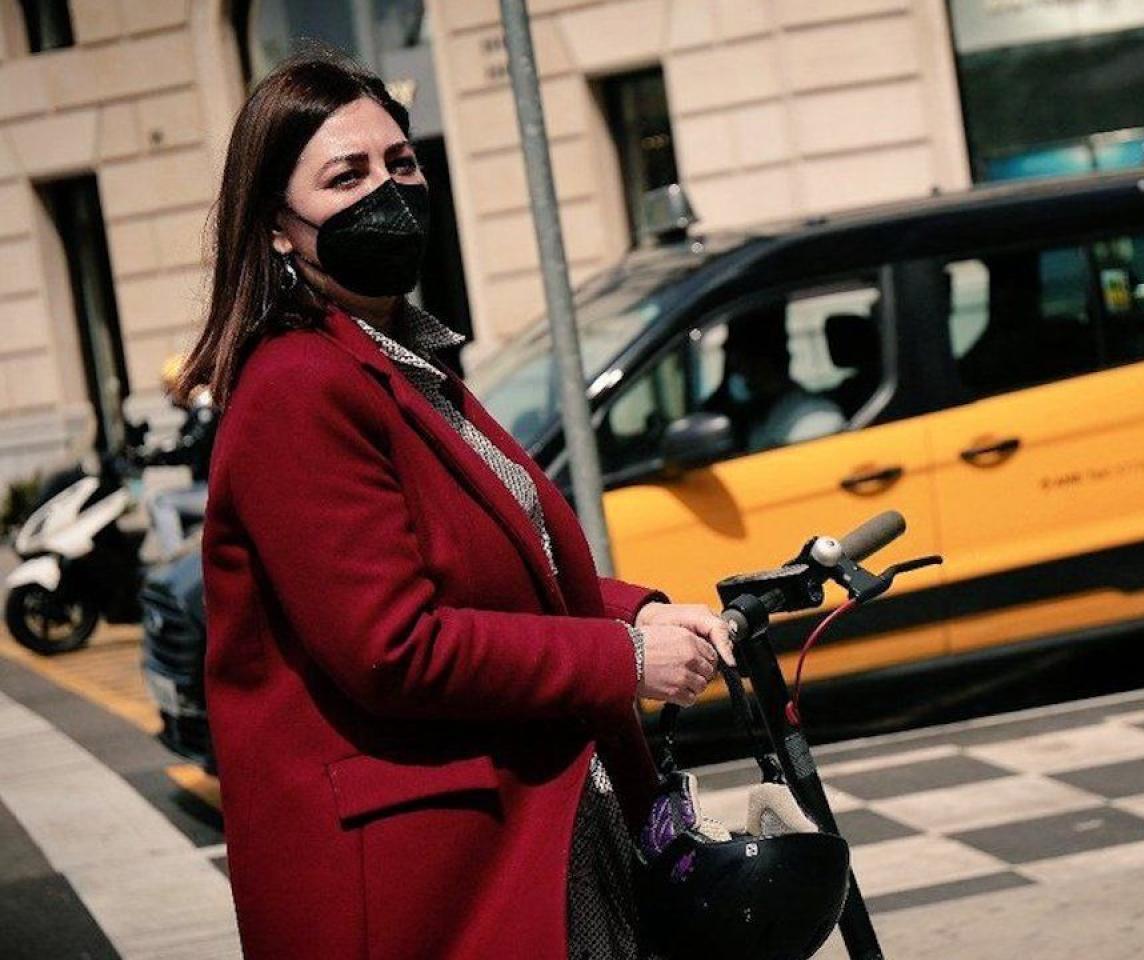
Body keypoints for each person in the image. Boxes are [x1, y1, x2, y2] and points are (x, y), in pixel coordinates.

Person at [175, 51, 730, 959]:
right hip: (428, 879)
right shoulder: (297, 388)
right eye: (344, 176)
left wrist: (651, 613)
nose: (388, 193)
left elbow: (502, 568)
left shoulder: (399, 355)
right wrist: (623, 657)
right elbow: (392, 647)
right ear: (278, 227)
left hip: (526, 838)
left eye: (401, 163)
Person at [704, 307, 845, 454]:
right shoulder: (765, 413)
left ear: (761, 363)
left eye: (740, 363)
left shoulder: (813, 419)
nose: (740, 375)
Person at [140, 353, 218, 558]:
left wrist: (153, 456)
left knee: (160, 500)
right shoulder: (203, 409)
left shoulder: (206, 410)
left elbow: (190, 447)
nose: (170, 398)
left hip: (214, 491)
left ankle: (176, 560)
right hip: (208, 488)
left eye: (170, 389)